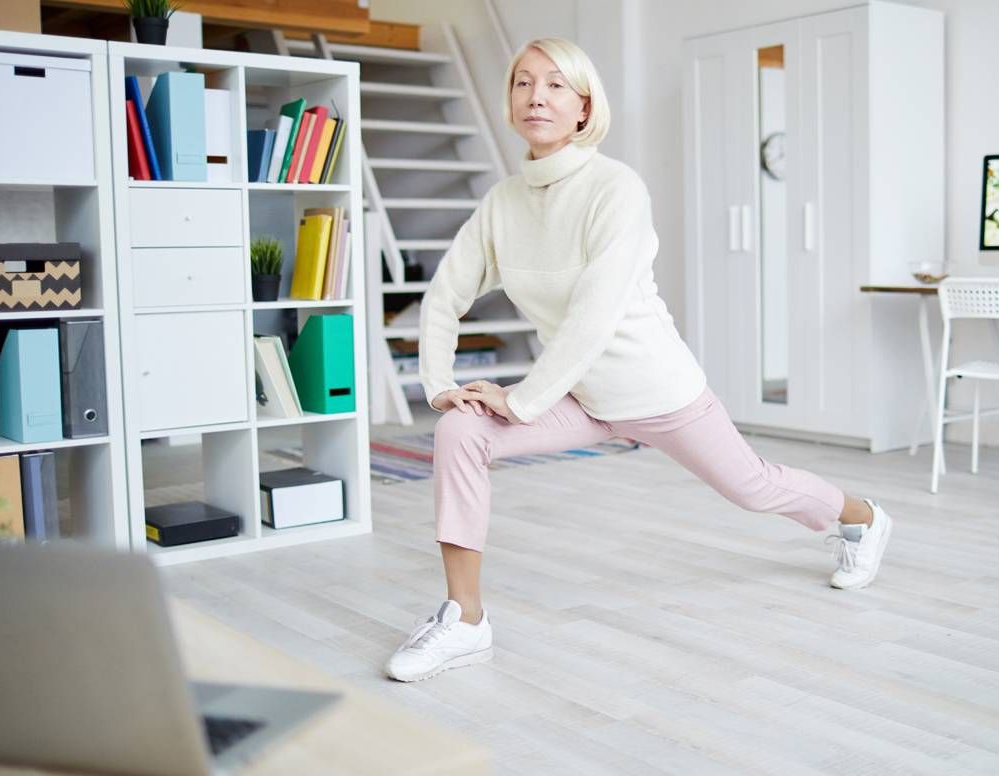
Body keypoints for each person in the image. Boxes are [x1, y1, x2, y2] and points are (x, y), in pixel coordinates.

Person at [384, 38, 895, 683]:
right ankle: (464, 620)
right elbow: (444, 298)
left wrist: (517, 400)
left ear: (583, 107)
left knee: (755, 487)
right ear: (511, 103)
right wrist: (439, 387)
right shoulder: (502, 206)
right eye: (522, 83)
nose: (536, 95)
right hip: (577, 399)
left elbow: (593, 318)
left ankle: (862, 520)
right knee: (459, 431)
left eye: (555, 84)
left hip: (659, 393)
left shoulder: (615, 189)